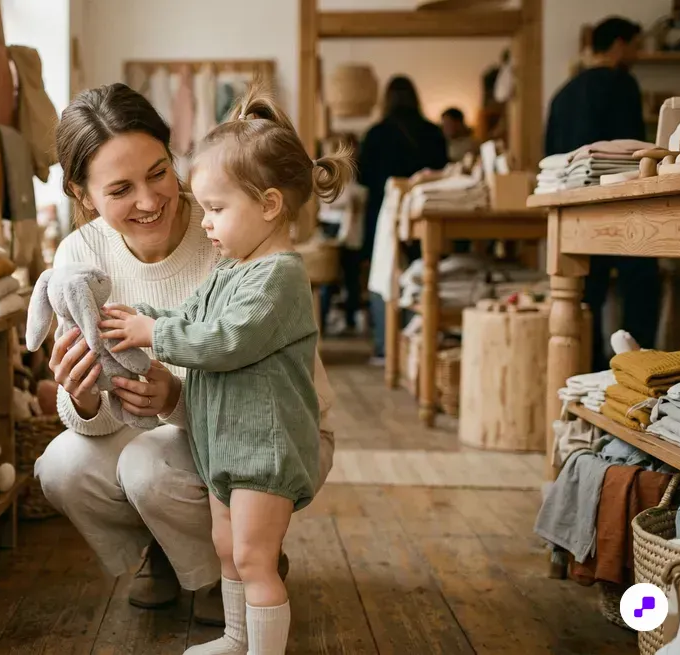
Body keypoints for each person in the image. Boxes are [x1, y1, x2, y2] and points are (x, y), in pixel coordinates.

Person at [34, 82, 337, 627]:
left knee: (147, 464)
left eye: (158, 172)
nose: (150, 201)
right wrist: (80, 397)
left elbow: (257, 374)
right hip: (194, 428)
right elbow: (95, 421)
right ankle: (181, 555)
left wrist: (173, 395)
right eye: (121, 188)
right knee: (60, 465)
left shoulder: (230, 225)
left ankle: (238, 564)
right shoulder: (79, 256)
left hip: (265, 429)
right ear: (83, 195)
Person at [544, 16, 657, 370]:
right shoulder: (621, 84)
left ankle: (583, 368)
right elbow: (637, 151)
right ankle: (640, 368)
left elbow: (549, 154)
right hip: (619, 204)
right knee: (640, 283)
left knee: (583, 293)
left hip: (574, 206)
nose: (638, 54)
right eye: (637, 46)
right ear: (619, 44)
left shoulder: (562, 93)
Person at [358, 76, 448, 362]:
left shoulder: (376, 133)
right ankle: (417, 345)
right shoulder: (432, 132)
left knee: (384, 275)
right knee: (423, 274)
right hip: (426, 212)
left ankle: (385, 347)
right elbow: (442, 171)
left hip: (384, 213)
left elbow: (362, 177)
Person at [316, 133, 366, 333]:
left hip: (350, 228)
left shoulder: (353, 171)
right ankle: (324, 320)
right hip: (332, 227)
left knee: (351, 277)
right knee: (328, 277)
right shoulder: (325, 171)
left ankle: (350, 320)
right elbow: (327, 199)